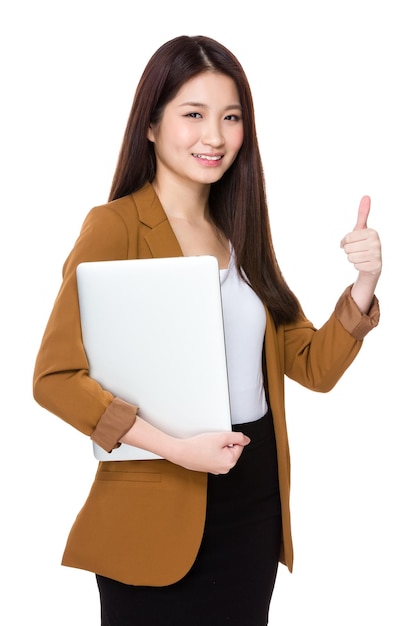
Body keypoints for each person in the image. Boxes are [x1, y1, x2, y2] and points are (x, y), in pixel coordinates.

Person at [33, 35, 382, 626]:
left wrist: (364, 285)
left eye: (231, 117)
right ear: (150, 125)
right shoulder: (115, 227)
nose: (214, 136)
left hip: (253, 498)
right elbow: (55, 378)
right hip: (157, 502)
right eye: (193, 115)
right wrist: (177, 449)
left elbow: (311, 366)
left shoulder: (240, 231)